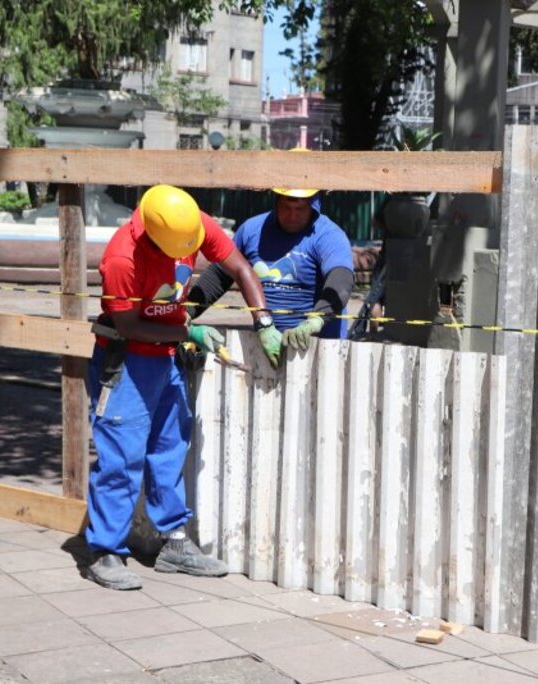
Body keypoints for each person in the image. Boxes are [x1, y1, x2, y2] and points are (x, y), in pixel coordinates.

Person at [85, 184, 280, 591]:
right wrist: (188, 329)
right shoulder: (122, 257)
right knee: (121, 456)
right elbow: (128, 325)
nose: (183, 255)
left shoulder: (188, 222)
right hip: (126, 361)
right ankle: (105, 551)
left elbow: (239, 267)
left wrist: (263, 321)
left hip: (164, 359)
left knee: (170, 447)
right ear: (153, 237)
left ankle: (173, 541)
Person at [186, 182, 354, 358]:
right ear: (276, 200)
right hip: (267, 339)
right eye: (286, 207)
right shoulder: (252, 230)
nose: (292, 215)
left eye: (300, 209)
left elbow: (341, 279)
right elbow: (220, 274)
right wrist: (187, 311)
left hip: (320, 347)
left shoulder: (328, 235)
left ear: (313, 204)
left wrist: (316, 320)